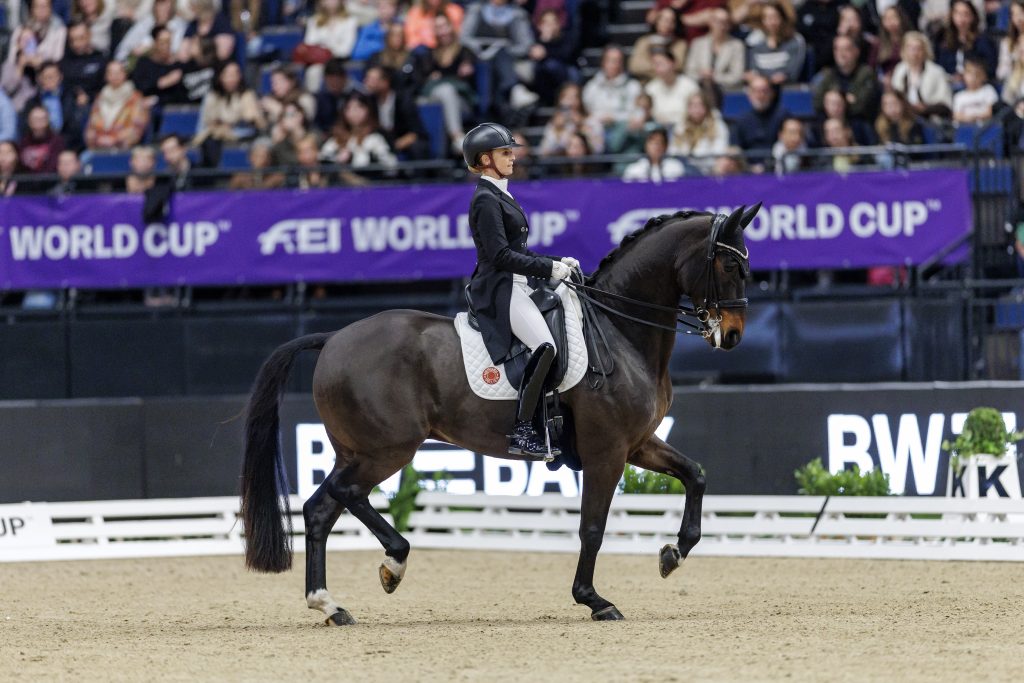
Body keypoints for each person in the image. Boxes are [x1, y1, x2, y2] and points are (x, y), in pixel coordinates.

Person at [462, 123, 578, 459]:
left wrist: (557, 261)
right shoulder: (485, 199)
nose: (513, 157)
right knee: (545, 346)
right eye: (505, 153)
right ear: (485, 159)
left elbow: (520, 250)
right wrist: (548, 269)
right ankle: (524, 430)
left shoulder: (501, 193)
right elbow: (500, 256)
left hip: (518, 281)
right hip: (499, 287)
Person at [406, 13, 476, 153]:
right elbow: (424, 81)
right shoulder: (430, 54)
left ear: (452, 27)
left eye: (444, 26)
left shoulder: (464, 51)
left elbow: (467, 80)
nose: (442, 31)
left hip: (460, 100)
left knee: (447, 90)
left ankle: (456, 137)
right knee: (434, 96)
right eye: (438, 27)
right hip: (435, 96)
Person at [2, 0, 68, 110]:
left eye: (44, 6)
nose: (41, 10)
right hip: (23, 80)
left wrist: (39, 62)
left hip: (47, 79)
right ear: (32, 9)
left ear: (50, 8)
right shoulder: (20, 30)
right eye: (37, 7)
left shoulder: (59, 29)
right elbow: (12, 58)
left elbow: (58, 58)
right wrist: (22, 63)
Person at [582, 45, 642, 152]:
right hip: (597, 130)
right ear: (603, 62)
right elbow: (587, 110)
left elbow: (635, 113)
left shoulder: (633, 86)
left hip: (622, 131)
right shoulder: (592, 86)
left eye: (617, 61)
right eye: (610, 60)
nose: (614, 65)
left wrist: (614, 118)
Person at [363, 65, 429, 159]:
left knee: (418, 147)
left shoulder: (403, 100)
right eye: (367, 78)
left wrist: (396, 145)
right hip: (380, 142)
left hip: (402, 139)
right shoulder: (370, 101)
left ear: (385, 82)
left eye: (372, 79)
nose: (366, 82)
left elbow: (416, 132)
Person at [194, 61, 265, 145]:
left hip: (242, 138)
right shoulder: (212, 96)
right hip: (215, 137)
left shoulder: (247, 95)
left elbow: (254, 120)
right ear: (221, 76)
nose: (232, 79)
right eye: (228, 75)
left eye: (235, 75)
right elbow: (205, 122)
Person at [813, 35, 880, 124]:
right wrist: (847, 99)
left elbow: (863, 105)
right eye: (837, 49)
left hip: (860, 124)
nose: (841, 54)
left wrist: (837, 102)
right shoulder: (828, 74)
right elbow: (817, 103)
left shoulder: (866, 74)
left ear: (856, 51)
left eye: (846, 49)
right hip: (831, 125)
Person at [25, 61, 91, 150]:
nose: (50, 79)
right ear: (39, 78)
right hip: (42, 145)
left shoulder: (73, 96)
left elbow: (77, 125)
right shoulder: (33, 102)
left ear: (60, 76)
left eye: (53, 76)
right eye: (46, 77)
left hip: (69, 144)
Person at [84, 60, 149, 150]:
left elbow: (137, 128)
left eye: (118, 72)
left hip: (124, 149)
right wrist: (98, 139)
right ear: (106, 76)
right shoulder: (100, 98)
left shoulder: (135, 98)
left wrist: (114, 139)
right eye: (111, 73)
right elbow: (91, 127)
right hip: (99, 147)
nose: (115, 76)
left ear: (125, 74)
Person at [890, 31, 953, 119]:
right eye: (911, 48)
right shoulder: (900, 69)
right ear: (904, 50)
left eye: (918, 48)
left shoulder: (936, 71)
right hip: (903, 116)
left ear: (925, 50)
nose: (914, 53)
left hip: (930, 117)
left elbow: (946, 104)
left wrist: (926, 108)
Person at [302, 0, 359, 92]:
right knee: (313, 72)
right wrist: (327, 50)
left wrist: (324, 48)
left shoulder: (350, 21)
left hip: (340, 61)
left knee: (336, 71)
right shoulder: (313, 21)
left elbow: (346, 49)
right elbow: (310, 44)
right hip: (319, 61)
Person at [935, 0, 996, 84]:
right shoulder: (944, 40)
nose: (961, 18)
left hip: (975, 84)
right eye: (958, 14)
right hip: (948, 83)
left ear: (973, 17)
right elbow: (939, 66)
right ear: (952, 16)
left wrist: (968, 76)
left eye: (966, 14)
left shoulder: (982, 40)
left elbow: (989, 67)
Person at [745, 0, 805, 85]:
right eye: (767, 18)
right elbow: (752, 71)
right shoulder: (754, 41)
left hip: (786, 89)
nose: (772, 22)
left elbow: (792, 72)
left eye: (775, 17)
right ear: (762, 21)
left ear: (782, 18)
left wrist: (767, 79)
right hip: (761, 88)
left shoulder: (794, 41)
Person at [684, 7, 744, 89]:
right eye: (718, 21)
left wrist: (714, 77)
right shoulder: (698, 43)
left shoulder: (736, 45)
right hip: (699, 90)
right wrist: (702, 75)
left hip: (725, 91)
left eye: (725, 22)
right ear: (710, 22)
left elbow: (737, 76)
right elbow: (689, 72)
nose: (722, 26)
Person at [732, 74, 788, 158]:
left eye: (764, 91)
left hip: (778, 166)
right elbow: (734, 148)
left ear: (772, 93)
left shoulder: (783, 116)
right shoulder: (741, 120)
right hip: (748, 169)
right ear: (749, 94)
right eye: (755, 91)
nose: (760, 95)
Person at [132, 25, 188, 108]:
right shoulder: (144, 63)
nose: (166, 46)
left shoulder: (178, 65)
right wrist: (160, 83)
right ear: (155, 43)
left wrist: (156, 99)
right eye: (162, 42)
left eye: (169, 42)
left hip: (171, 111)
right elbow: (139, 86)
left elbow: (181, 95)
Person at [668, 90, 729, 166]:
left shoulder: (718, 126)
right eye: (692, 105)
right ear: (688, 108)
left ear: (706, 108)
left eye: (700, 105)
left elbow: (719, 152)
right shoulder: (680, 126)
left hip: (709, 168)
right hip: (683, 168)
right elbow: (673, 151)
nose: (696, 109)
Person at [115, 0, 187, 62]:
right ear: (155, 6)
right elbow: (124, 48)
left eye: (168, 7)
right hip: (140, 64)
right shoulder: (145, 22)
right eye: (161, 6)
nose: (165, 11)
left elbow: (175, 50)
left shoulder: (179, 25)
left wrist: (150, 49)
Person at [629, 7, 688, 81]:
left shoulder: (680, 44)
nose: (667, 24)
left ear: (675, 24)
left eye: (671, 20)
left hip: (671, 85)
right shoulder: (644, 42)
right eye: (664, 19)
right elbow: (635, 66)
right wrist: (661, 67)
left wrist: (652, 67)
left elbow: (678, 66)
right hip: (647, 83)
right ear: (657, 21)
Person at [644, 48, 699, 127]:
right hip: (658, 129)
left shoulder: (689, 85)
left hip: (685, 127)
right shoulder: (650, 88)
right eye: (655, 64)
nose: (658, 68)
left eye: (660, 63)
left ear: (673, 63)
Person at [60, 21, 106, 100]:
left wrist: (90, 96)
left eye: (81, 38)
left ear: (89, 35)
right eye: (72, 40)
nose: (76, 44)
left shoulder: (101, 58)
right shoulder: (65, 61)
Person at [18, 103, 64, 172]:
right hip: (27, 181)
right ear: (29, 121)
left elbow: (53, 167)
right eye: (35, 119)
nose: (39, 122)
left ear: (48, 120)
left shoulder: (57, 141)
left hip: (49, 181)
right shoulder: (24, 142)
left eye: (42, 119)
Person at [952, 56, 998, 125]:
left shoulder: (988, 90)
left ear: (984, 76)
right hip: (964, 129)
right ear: (964, 75)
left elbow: (991, 111)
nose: (973, 77)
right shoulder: (959, 96)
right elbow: (956, 115)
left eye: (977, 74)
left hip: (984, 128)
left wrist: (974, 117)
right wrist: (968, 119)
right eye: (969, 73)